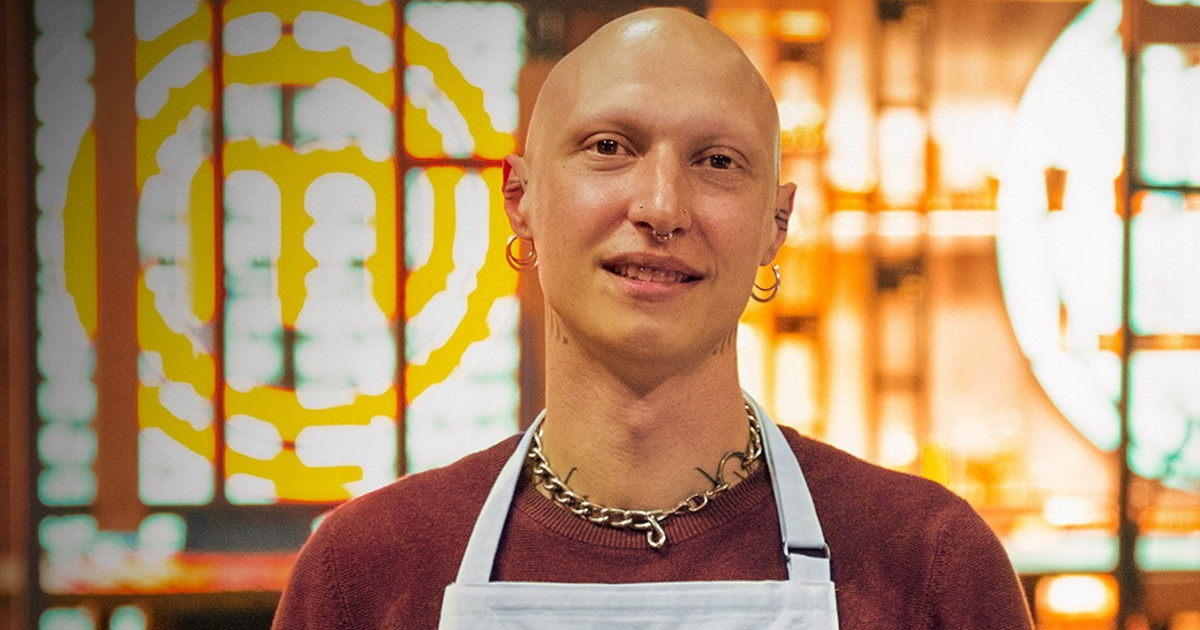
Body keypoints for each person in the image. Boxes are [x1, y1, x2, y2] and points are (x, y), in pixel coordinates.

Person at [272, 8, 1033, 629]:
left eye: (717, 161)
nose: (662, 208)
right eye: (609, 147)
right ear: (521, 199)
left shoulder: (927, 564)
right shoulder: (367, 572)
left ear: (776, 224)